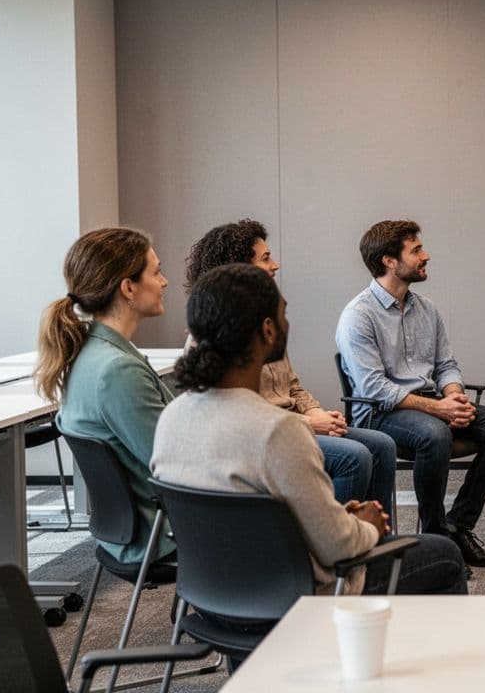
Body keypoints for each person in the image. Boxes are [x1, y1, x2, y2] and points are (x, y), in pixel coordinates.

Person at [152, 264, 465, 660]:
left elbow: (238, 514)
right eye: (283, 313)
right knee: (443, 555)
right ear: (267, 330)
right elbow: (339, 549)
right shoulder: (277, 431)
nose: (287, 322)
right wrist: (364, 525)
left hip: (212, 600)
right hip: (293, 600)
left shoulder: (171, 418)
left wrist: (336, 518)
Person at [185, 220, 397, 523]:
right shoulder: (214, 333)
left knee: (382, 445)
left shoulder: (264, 322)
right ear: (239, 269)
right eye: (265, 258)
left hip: (294, 422)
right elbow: (241, 416)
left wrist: (320, 414)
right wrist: (308, 423)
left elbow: (293, 386)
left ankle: (374, 542)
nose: (275, 265)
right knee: (355, 457)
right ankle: (333, 552)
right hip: (265, 438)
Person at [336, 220, 485, 568]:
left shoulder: (427, 309)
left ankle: (456, 526)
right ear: (389, 260)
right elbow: (375, 388)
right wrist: (441, 411)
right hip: (380, 412)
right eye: (416, 250)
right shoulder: (357, 316)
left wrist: (455, 396)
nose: (426, 255)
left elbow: (446, 364)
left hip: (432, 402)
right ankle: (434, 540)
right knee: (435, 435)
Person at [34, 227, 175, 568]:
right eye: (156, 272)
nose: (165, 281)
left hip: (129, 529)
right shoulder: (116, 371)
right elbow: (174, 463)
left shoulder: (92, 353)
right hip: (158, 533)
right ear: (128, 288)